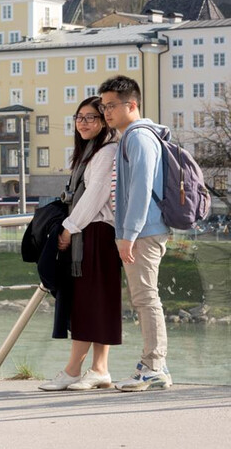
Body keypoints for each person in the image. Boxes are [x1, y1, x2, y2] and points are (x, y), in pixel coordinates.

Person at [39, 96, 121, 391]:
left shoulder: (106, 151)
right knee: (95, 301)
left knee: (89, 302)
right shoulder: (91, 151)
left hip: (95, 233)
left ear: (103, 121)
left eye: (91, 118)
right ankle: (99, 369)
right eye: (79, 117)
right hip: (93, 232)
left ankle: (75, 370)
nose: (83, 123)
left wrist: (68, 229)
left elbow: (95, 195)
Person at [98, 75, 173, 391]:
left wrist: (127, 234)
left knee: (145, 297)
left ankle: (154, 366)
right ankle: (154, 365)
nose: (106, 113)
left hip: (142, 231)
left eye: (111, 105)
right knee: (144, 296)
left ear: (132, 104)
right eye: (103, 106)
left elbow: (140, 189)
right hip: (143, 230)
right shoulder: (134, 137)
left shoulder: (138, 137)